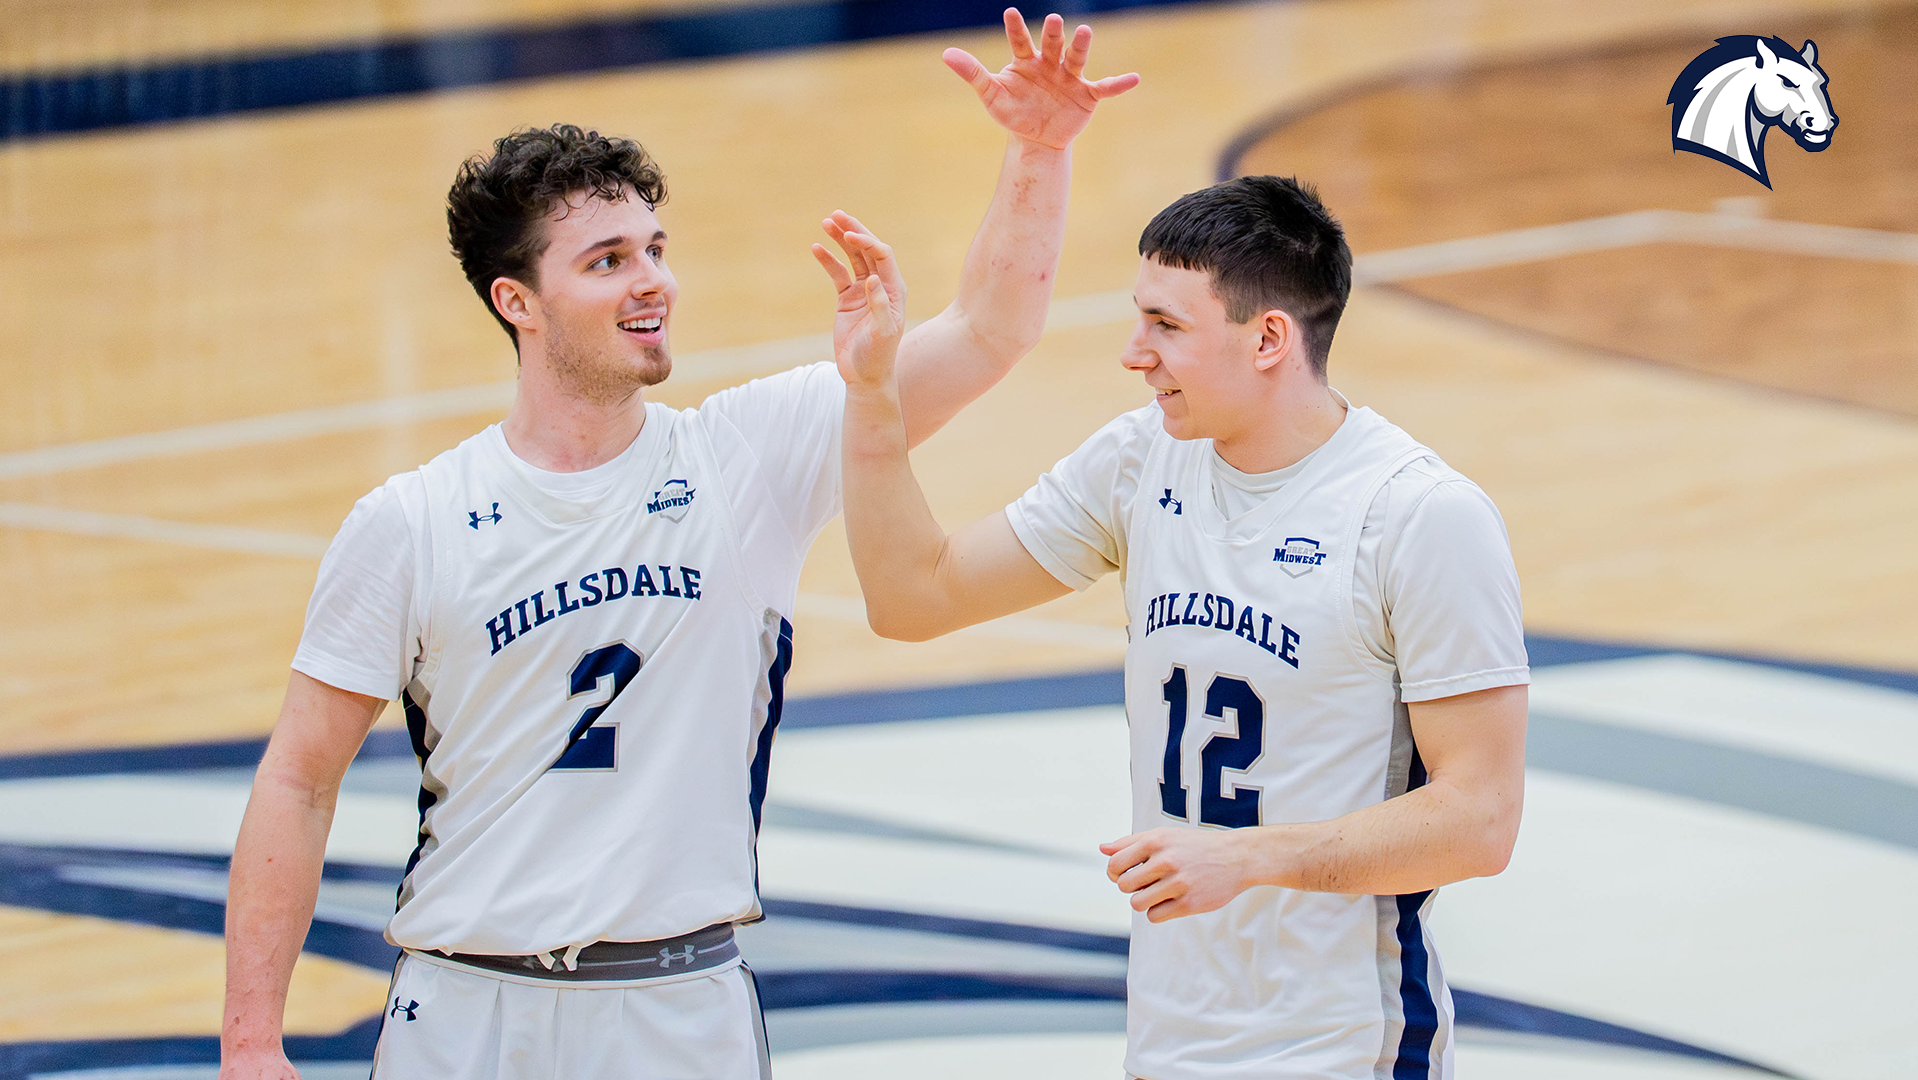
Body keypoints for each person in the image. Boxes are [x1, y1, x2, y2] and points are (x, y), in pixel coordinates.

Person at [217, 11, 1138, 1079]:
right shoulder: (410, 520)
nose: (651, 279)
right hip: (464, 1009)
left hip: (676, 1007)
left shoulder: (746, 455)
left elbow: (987, 332)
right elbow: (297, 779)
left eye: (654, 249)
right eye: (607, 261)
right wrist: (250, 1042)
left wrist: (1038, 150)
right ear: (517, 301)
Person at [828, 175, 1528, 1080]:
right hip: (1168, 1039)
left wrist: (1248, 860)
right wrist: (872, 394)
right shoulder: (1139, 461)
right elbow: (914, 599)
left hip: (1343, 1047)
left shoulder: (1420, 515)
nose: (1133, 353)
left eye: (1166, 325)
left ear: (1269, 338)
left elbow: (1480, 819)